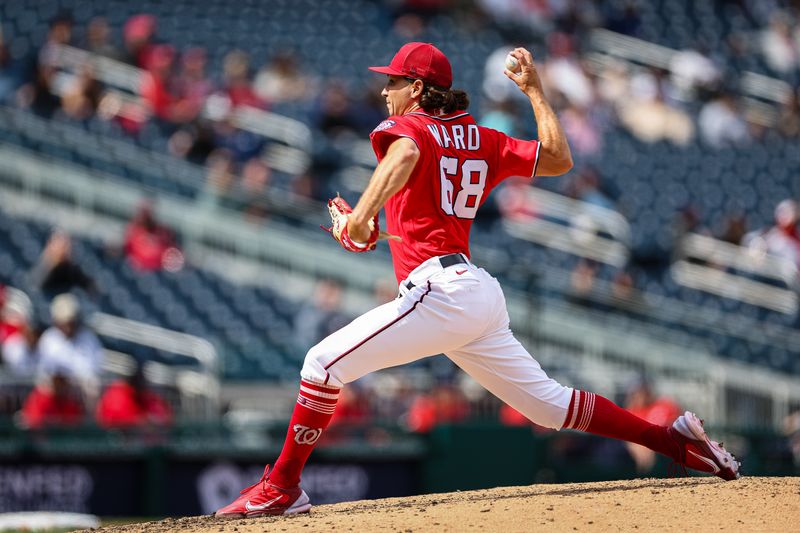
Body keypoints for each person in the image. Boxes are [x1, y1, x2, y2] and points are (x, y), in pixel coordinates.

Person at [215, 42, 740, 518]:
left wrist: (358, 220)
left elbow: (405, 153)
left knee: (320, 364)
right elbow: (559, 158)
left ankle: (282, 486)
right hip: (476, 292)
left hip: (441, 291)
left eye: (395, 81)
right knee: (549, 405)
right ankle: (673, 442)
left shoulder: (410, 128)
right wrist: (536, 91)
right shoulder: (483, 138)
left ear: (418, 89)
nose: (384, 89)